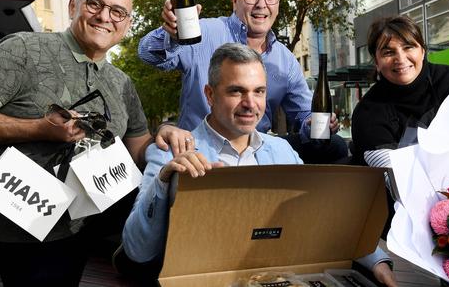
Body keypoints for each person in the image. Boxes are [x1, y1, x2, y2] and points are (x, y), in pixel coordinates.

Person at [120, 43, 397, 286]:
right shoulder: (170, 153)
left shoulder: (283, 152)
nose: (250, 103)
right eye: (236, 91)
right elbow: (136, 250)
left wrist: (376, 261)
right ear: (210, 95)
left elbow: (327, 218)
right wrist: (164, 182)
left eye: (259, 91)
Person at [0, 0, 153, 287]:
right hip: (24, 231)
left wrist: (165, 139)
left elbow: (139, 149)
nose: (104, 17)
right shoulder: (24, 49)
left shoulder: (121, 82)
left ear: (126, 24)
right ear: (74, 6)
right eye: (95, 4)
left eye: (118, 12)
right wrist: (38, 129)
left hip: (87, 224)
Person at [138, 0, 347, 163]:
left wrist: (315, 123)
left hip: (255, 155)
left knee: (336, 145)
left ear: (278, 3)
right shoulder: (202, 33)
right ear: (234, 0)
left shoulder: (286, 61)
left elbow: (304, 114)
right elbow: (147, 53)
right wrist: (173, 35)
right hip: (199, 154)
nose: (261, 4)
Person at [351, 15, 449, 165]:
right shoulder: (368, 111)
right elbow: (392, 173)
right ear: (377, 62)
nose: (400, 58)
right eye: (388, 52)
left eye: (408, 47)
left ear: (423, 51)